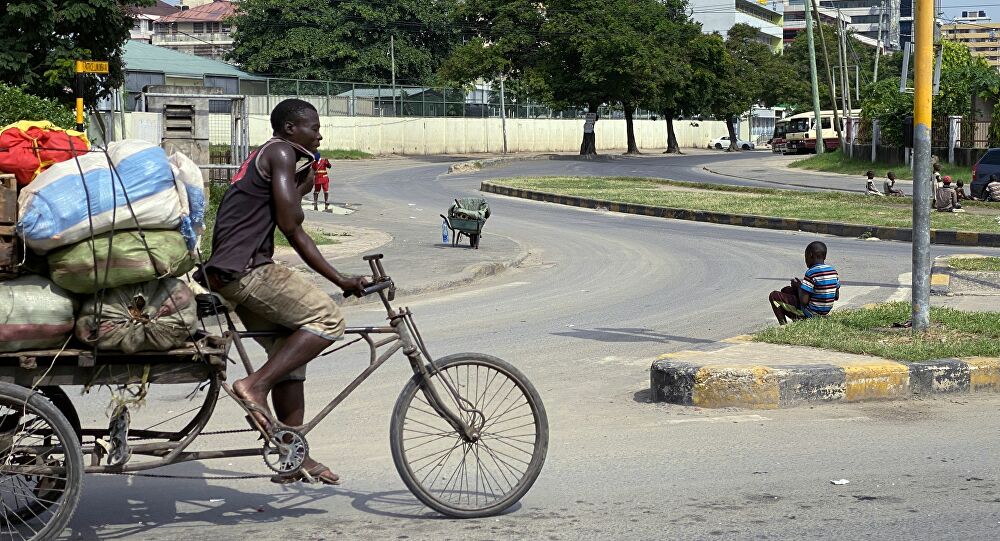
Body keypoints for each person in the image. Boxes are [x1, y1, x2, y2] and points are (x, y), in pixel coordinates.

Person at [197, 99, 368, 485]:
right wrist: (340, 280)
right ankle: (253, 386)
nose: (319, 134)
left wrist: (302, 185)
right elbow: (292, 226)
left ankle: (293, 456)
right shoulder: (279, 152)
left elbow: (276, 207)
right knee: (327, 317)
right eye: (313, 127)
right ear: (291, 128)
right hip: (247, 270)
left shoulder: (270, 155)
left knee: (290, 356)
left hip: (228, 272)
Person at [768, 241, 841, 325]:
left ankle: (783, 325)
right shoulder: (833, 271)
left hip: (810, 313)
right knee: (786, 290)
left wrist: (799, 286)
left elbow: (804, 301)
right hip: (824, 312)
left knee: (774, 296)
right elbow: (836, 296)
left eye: (805, 256)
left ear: (810, 255)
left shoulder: (811, 272)